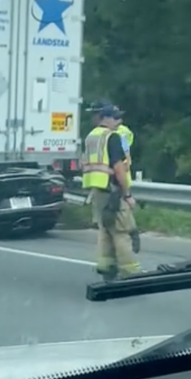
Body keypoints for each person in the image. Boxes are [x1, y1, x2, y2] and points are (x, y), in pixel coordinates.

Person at [82, 103, 142, 280]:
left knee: (105, 229)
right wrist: (128, 194)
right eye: (115, 117)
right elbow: (118, 169)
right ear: (105, 118)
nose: (119, 121)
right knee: (121, 231)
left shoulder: (91, 137)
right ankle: (130, 271)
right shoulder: (112, 137)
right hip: (113, 190)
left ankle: (106, 265)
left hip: (98, 190)